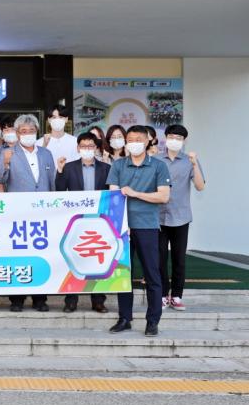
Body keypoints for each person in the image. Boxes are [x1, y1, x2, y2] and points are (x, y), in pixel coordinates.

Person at [107, 125, 171, 337]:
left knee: (152, 274)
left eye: (137, 139)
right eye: (130, 139)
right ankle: (125, 318)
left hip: (147, 226)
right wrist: (119, 223)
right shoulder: (118, 165)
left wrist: (135, 193)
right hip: (123, 229)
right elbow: (113, 196)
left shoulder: (158, 166)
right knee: (123, 274)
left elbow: (163, 196)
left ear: (146, 141)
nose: (133, 143)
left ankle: (153, 321)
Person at [0, 114, 55, 313]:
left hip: (43, 213)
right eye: (23, 131)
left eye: (31, 131)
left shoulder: (46, 153)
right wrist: (5, 163)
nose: (27, 134)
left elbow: (52, 182)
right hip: (18, 213)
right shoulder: (8, 152)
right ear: (17, 133)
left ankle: (40, 299)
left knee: (41, 254)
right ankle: (17, 299)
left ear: (36, 132)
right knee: (19, 255)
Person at [55, 132, 111, 314]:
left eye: (90, 146)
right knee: (74, 259)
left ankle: (98, 301)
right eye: (83, 146)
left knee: (98, 259)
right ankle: (71, 301)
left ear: (96, 148)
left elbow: (112, 193)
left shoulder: (106, 168)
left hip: (99, 221)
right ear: (78, 148)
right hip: (76, 221)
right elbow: (59, 191)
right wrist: (60, 171)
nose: (87, 149)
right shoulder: (69, 167)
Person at [157, 124, 205, 311]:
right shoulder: (156, 159)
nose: (175, 141)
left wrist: (194, 163)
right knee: (160, 258)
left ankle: (176, 296)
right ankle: (162, 294)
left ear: (184, 141)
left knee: (179, 259)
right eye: (172, 137)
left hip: (181, 217)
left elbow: (200, 186)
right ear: (166, 138)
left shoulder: (189, 161)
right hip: (158, 217)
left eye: (179, 138)